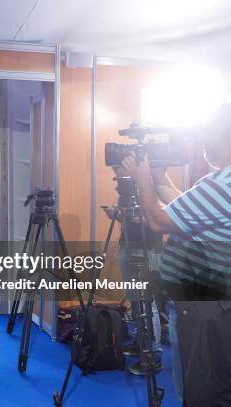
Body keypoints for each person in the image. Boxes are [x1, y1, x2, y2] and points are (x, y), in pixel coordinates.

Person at [122, 102, 231, 406]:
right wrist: (158, 179)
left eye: (210, 138)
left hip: (204, 305)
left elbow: (158, 221)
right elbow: (188, 207)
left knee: (201, 385)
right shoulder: (220, 184)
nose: (204, 146)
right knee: (215, 379)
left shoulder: (221, 184)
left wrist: (141, 179)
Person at [104, 165, 164, 375]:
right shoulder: (126, 190)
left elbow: (156, 222)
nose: (117, 177)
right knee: (136, 300)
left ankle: (153, 355)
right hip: (127, 247)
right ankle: (140, 343)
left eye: (118, 171)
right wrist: (116, 215)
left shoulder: (150, 187)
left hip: (147, 250)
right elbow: (129, 220)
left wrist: (127, 216)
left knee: (148, 302)